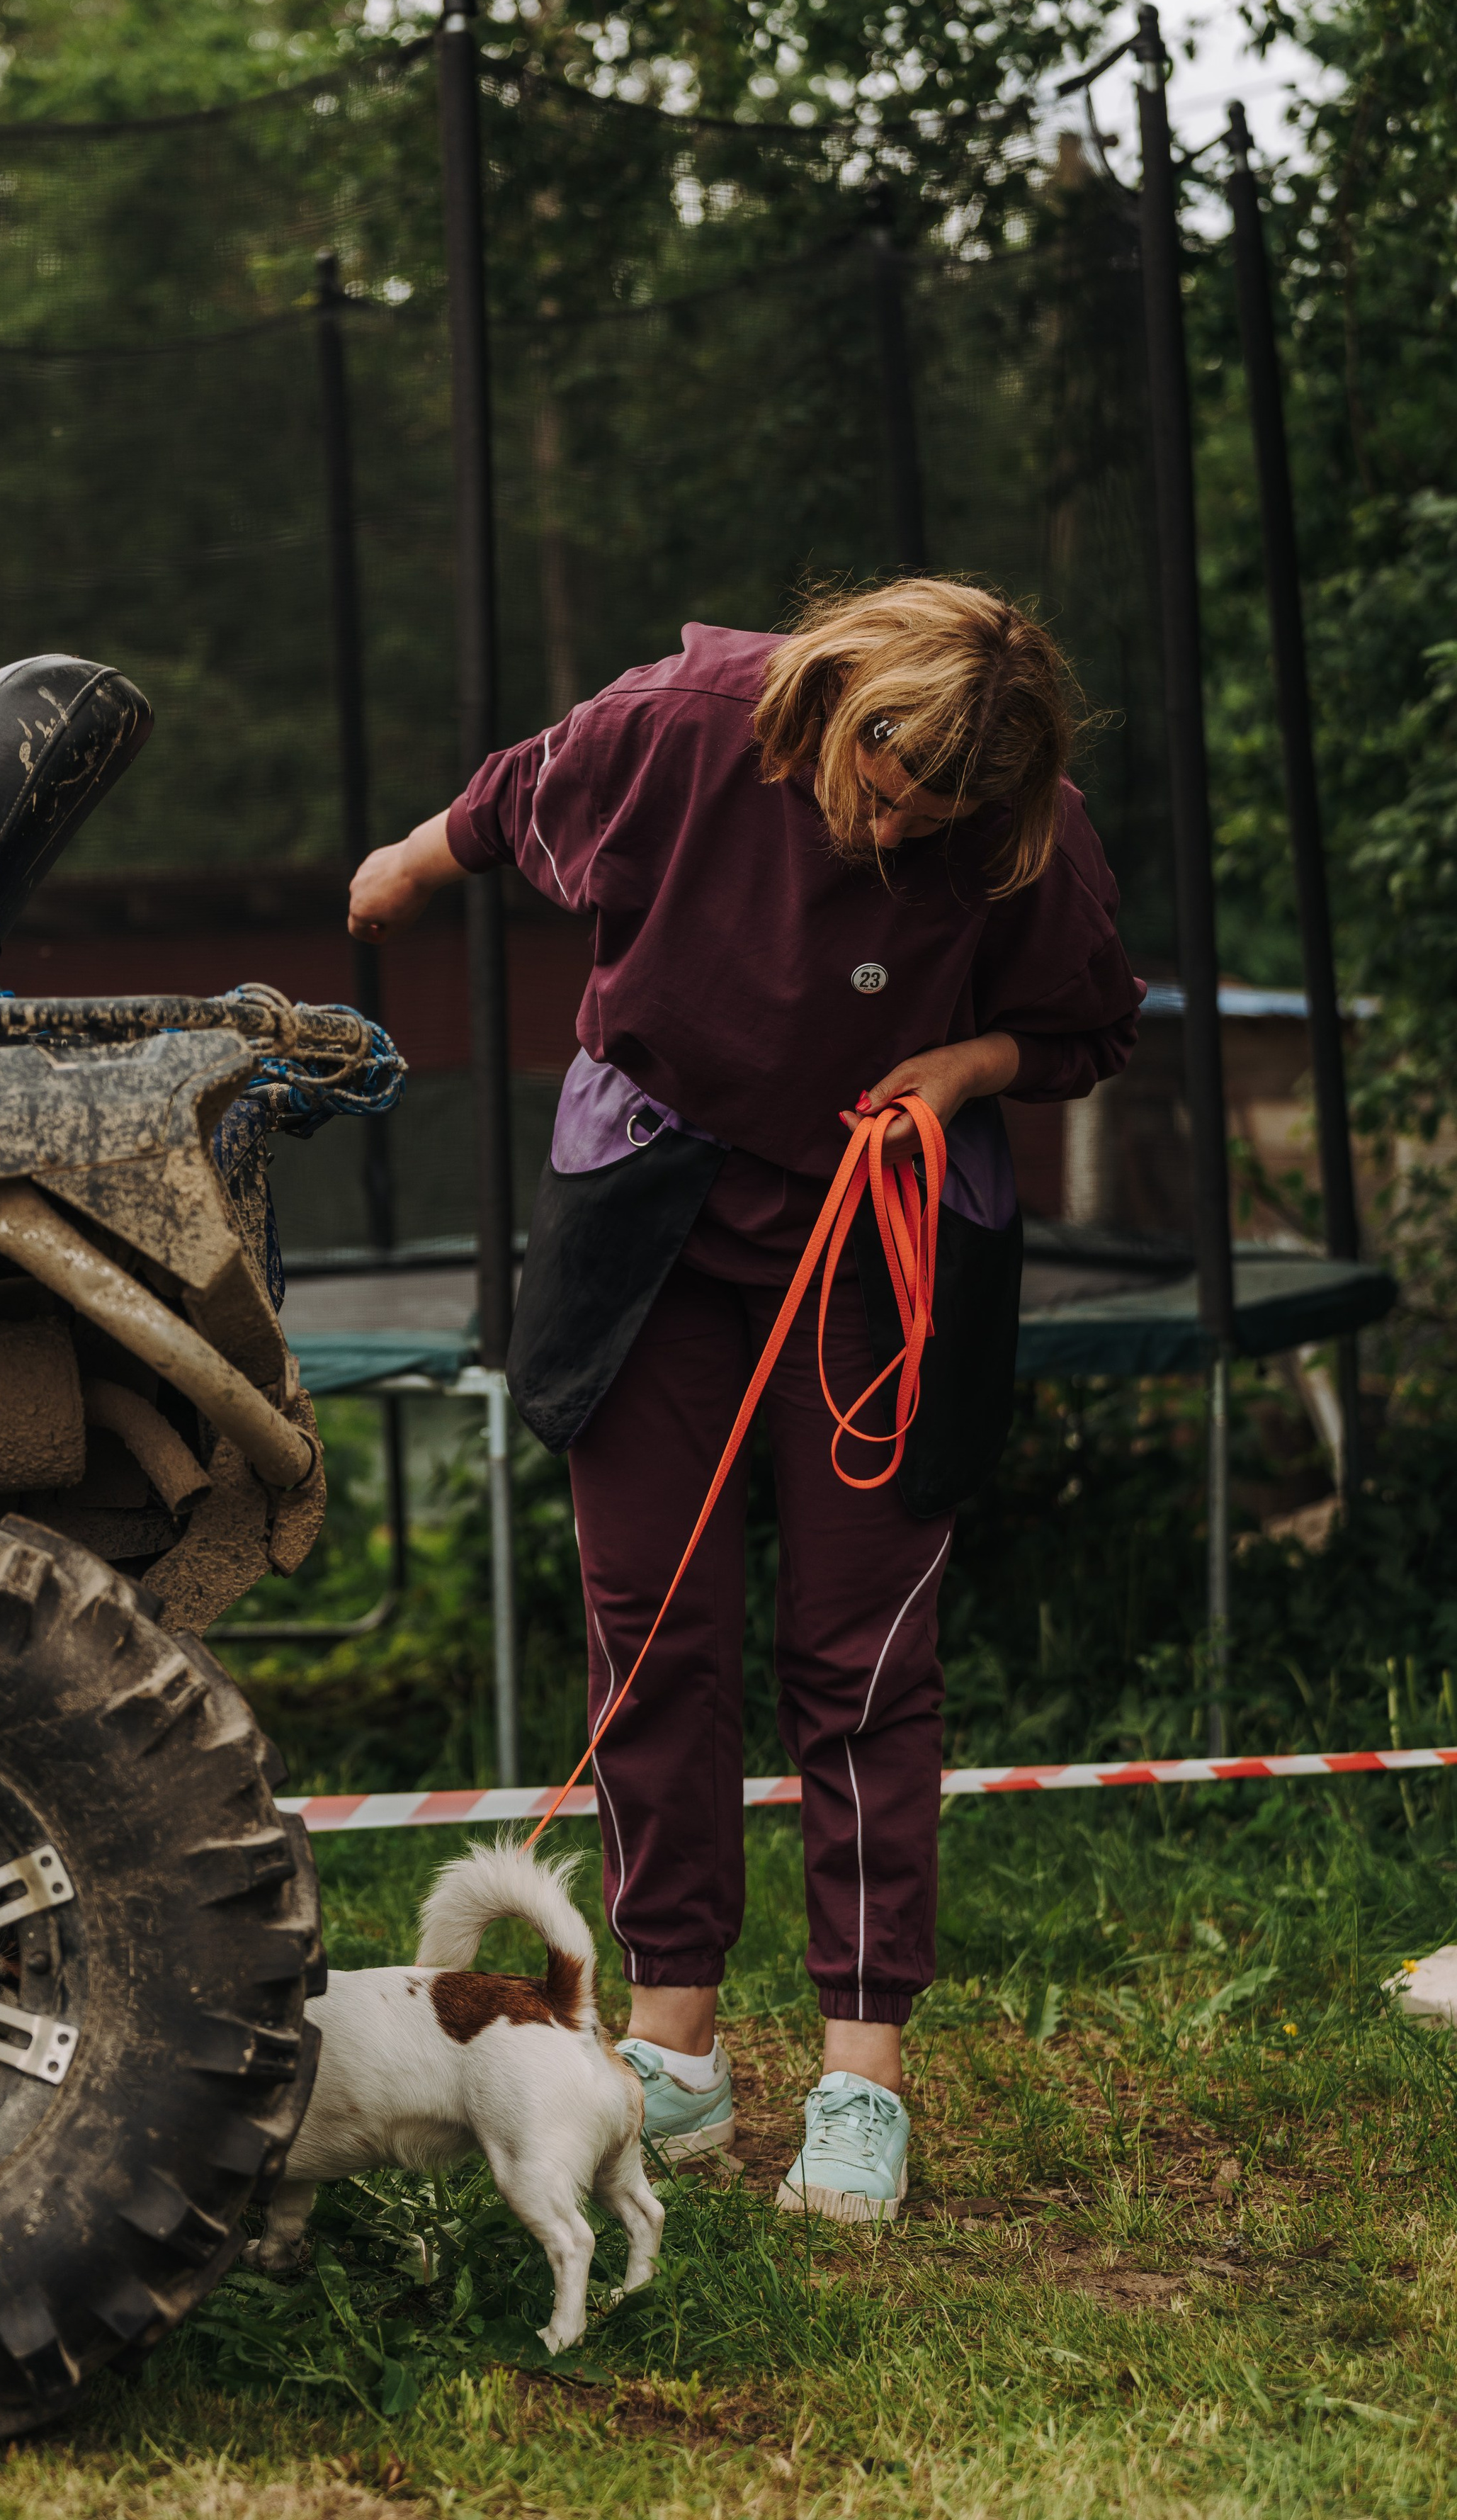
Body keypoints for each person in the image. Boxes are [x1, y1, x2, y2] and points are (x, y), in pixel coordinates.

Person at [347, 580, 1141, 2224]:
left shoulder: (1023, 828)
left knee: (859, 1649)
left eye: (940, 805)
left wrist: (964, 1067)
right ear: (840, 695)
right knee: (650, 1626)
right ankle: (675, 2048)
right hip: (655, 1220)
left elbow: (1082, 1024)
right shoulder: (689, 720)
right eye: (885, 772)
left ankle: (861, 2077)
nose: (897, 816)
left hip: (880, 1232)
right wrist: (407, 866)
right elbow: (512, 795)